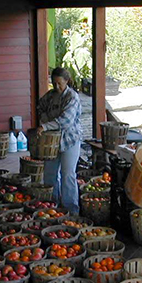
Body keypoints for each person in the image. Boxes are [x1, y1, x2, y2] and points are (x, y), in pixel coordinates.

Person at [36, 67, 82, 214]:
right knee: (49, 174)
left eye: (59, 83)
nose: (56, 86)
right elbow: (39, 107)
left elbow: (65, 121)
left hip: (70, 140)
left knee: (68, 174)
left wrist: (45, 125)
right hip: (51, 142)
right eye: (53, 83)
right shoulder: (50, 95)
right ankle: (52, 206)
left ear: (67, 81)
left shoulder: (72, 97)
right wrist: (43, 117)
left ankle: (71, 210)